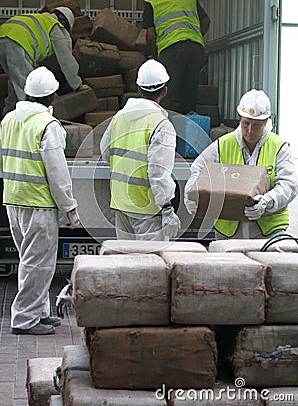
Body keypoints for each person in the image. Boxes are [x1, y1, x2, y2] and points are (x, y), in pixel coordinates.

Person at [0, 66, 80, 335]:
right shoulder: (48, 125)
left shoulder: (8, 119)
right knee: (38, 265)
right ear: (52, 96)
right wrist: (69, 207)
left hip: (14, 200)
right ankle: (25, 320)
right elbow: (58, 174)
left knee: (31, 262)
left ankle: (40, 312)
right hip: (39, 205)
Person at [184, 89, 298, 240]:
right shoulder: (224, 144)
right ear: (240, 119)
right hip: (229, 233)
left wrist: (267, 201)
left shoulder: (278, 147)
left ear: (266, 122)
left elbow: (289, 185)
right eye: (246, 124)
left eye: (256, 125)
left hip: (269, 233)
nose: (249, 131)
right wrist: (191, 194)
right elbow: (197, 169)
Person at [100, 59, 181, 241]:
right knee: (151, 267)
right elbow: (158, 172)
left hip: (121, 205)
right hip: (148, 211)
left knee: (128, 266)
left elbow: (105, 151)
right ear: (165, 91)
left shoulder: (119, 117)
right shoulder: (161, 124)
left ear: (138, 89)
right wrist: (167, 208)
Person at [143, 0, 210, 114]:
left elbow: (150, 36)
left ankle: (165, 130)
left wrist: (151, 56)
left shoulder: (152, 0)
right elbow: (206, 21)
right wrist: (195, 36)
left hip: (172, 49)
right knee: (189, 94)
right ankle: (189, 130)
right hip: (196, 49)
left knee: (166, 93)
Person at [0, 6, 88, 116]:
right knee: (30, 86)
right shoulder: (56, 26)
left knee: (16, 81)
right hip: (17, 42)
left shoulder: (40, 19)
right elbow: (66, 59)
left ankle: (7, 113)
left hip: (3, 36)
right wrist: (77, 83)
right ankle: (31, 118)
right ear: (65, 24)